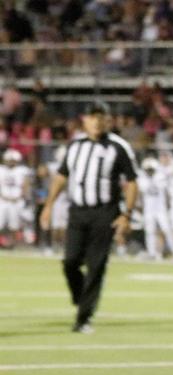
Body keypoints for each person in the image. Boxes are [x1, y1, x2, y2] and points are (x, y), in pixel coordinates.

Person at [39, 100, 138, 334]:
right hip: (78, 210)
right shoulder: (75, 146)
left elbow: (132, 182)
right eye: (92, 116)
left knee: (96, 264)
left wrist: (127, 214)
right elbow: (62, 176)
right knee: (70, 261)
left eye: (101, 116)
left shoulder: (118, 146)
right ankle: (81, 297)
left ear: (108, 120)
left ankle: (83, 317)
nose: (97, 121)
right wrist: (49, 205)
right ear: (84, 120)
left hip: (105, 211)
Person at [138, 156, 173, 261]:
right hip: (149, 209)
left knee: (167, 230)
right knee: (149, 231)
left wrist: (168, 206)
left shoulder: (160, 176)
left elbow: (166, 192)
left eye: (151, 169)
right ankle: (151, 253)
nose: (149, 171)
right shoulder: (142, 178)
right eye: (148, 169)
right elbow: (141, 193)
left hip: (160, 208)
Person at [0, 148, 32, 248]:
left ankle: (12, 244)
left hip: (17, 200)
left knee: (14, 225)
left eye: (12, 160)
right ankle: (3, 243)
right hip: (3, 200)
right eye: (9, 160)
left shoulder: (22, 170)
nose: (11, 162)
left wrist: (21, 196)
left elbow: (26, 185)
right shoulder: (1, 169)